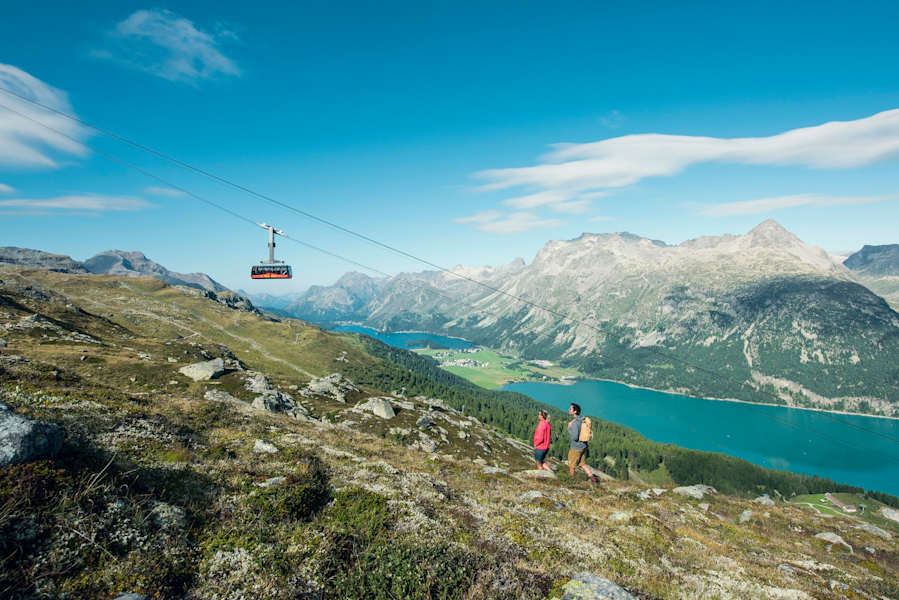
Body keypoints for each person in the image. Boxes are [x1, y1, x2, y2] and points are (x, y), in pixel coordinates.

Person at [567, 403, 599, 483]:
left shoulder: (574, 423)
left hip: (576, 448)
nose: (569, 410)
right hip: (584, 446)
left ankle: (571, 481)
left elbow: (575, 437)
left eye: (570, 409)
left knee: (572, 465)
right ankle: (592, 478)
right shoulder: (582, 419)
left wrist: (569, 428)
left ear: (575, 411)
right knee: (582, 463)